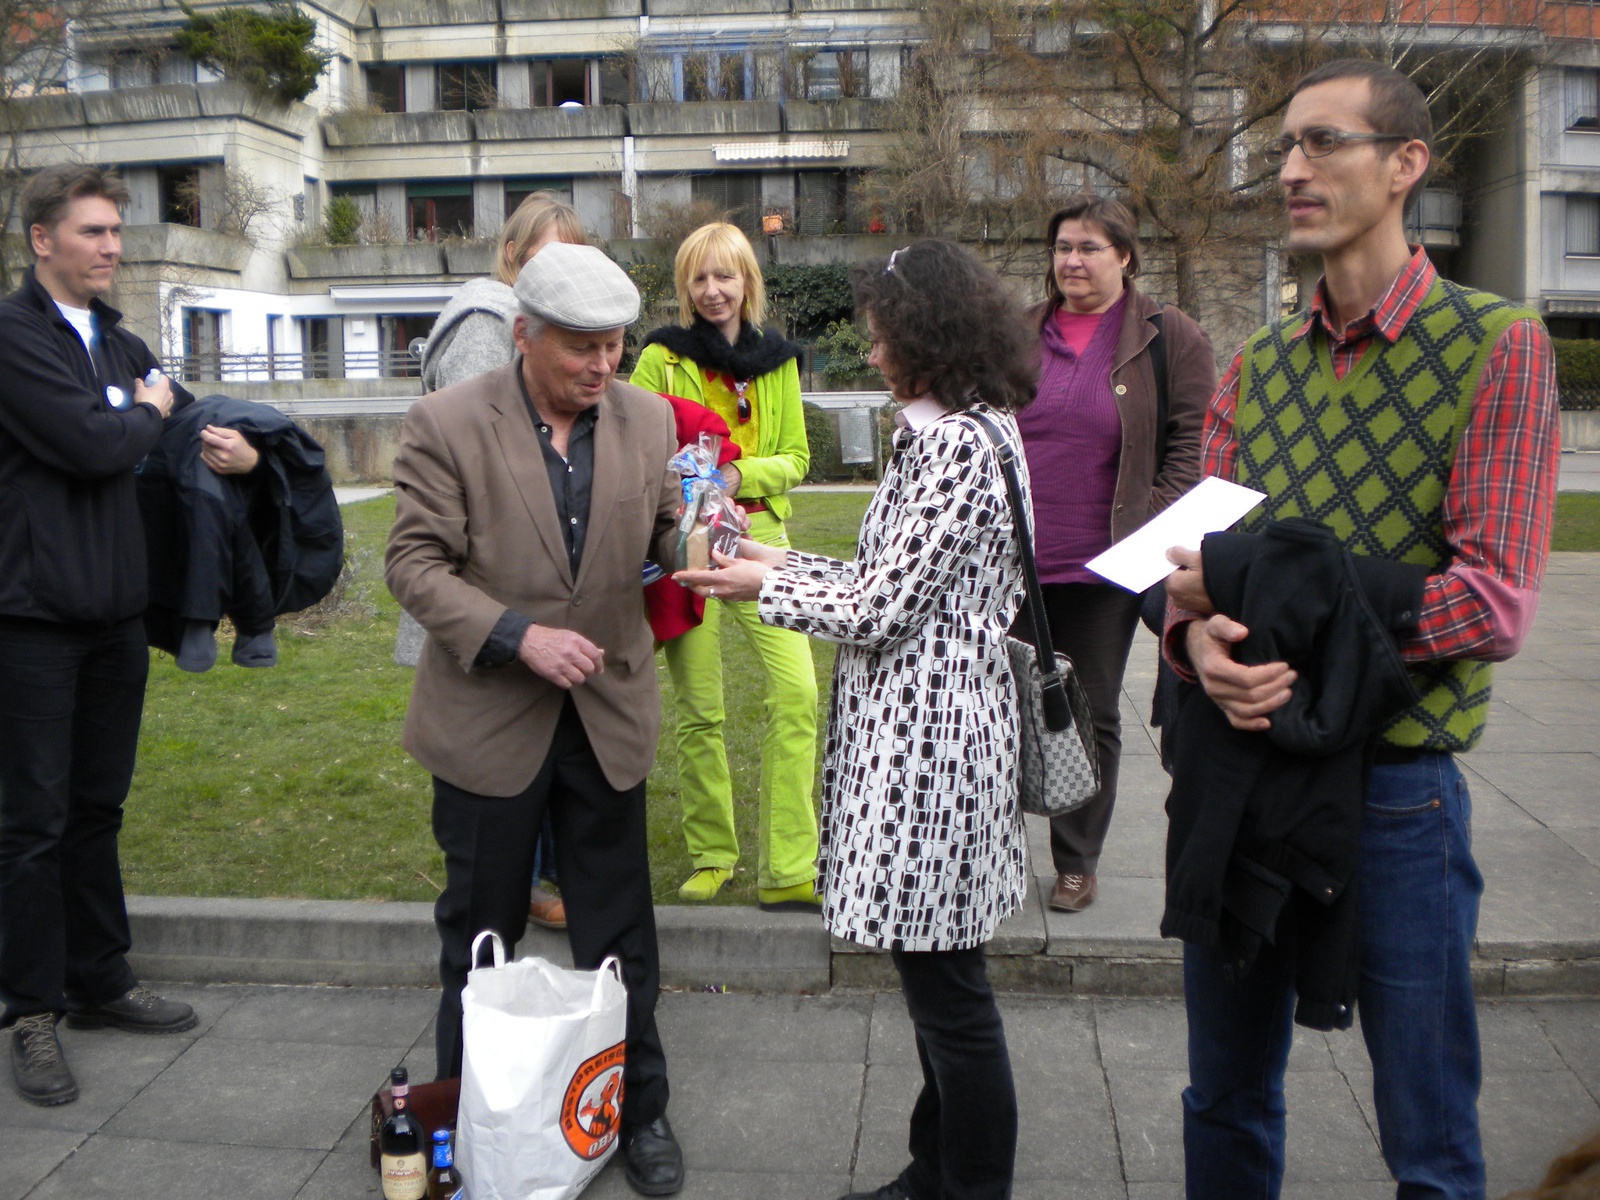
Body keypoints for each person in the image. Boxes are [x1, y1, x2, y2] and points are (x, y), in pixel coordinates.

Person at [1162, 59, 1559, 1199]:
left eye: (1323, 142)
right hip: (1245, 774)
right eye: (1285, 146)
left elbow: (1489, 603)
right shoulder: (1254, 367)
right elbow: (1185, 570)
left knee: (1428, 1139)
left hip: (1395, 793)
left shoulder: (1496, 343)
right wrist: (1197, 649)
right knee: (1223, 1100)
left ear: (1404, 165)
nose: (1291, 169)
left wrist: (1278, 625)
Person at [677, 239, 1036, 1200]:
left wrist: (760, 586)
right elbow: (889, 579)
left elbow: (881, 610)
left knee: (950, 999)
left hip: (936, 751)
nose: (872, 353)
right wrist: (772, 561)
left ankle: (968, 1186)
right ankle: (935, 1169)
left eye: (883, 337)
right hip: (931, 736)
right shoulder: (963, 428)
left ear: (927, 337)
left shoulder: (957, 445)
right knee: (936, 988)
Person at [385, 241, 686, 1196]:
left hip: (606, 717)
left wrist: (705, 537)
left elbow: (668, 531)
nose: (603, 365)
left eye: (615, 345)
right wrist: (518, 636)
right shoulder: (446, 422)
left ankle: (637, 1109)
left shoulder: (648, 419)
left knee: (620, 936)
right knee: (479, 940)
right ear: (524, 335)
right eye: (580, 348)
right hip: (487, 724)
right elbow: (414, 566)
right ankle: (469, 1118)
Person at [0, 165, 255, 1107]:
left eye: (116, 231)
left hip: (113, 617)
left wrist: (238, 447)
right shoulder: (13, 337)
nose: (112, 246)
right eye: (93, 231)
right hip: (31, 620)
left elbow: (183, 426)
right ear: (42, 240)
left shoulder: (119, 341)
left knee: (97, 809)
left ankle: (100, 979)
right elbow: (95, 444)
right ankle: (31, 1011)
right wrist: (147, 409)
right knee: (32, 824)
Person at [1016, 194, 1211, 914]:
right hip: (1010, 560)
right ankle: (991, 851)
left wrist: (1147, 528)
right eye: (1063, 247)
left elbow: (1192, 443)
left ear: (1125, 257)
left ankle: (1077, 862)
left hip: (1105, 565)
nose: (1072, 261)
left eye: (1089, 248)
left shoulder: (1169, 334)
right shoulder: (1019, 332)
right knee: (999, 708)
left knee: (1087, 711)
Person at [629, 222, 820, 911]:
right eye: (699, 278)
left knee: (797, 694)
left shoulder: (778, 360)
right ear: (685, 286)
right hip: (685, 542)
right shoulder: (660, 358)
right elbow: (631, 443)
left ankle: (789, 867)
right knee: (700, 708)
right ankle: (712, 854)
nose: (712, 291)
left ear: (748, 282)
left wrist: (736, 476)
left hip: (760, 538)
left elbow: (796, 458)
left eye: (725, 276)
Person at [410, 191, 587, 932]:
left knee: (538, 732)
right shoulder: (488, 324)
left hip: (528, 582)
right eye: (546, 257)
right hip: (489, 585)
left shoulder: (539, 327)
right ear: (513, 256)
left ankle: (528, 875)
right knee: (503, 746)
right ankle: (520, 885)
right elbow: (474, 461)